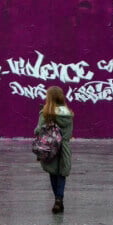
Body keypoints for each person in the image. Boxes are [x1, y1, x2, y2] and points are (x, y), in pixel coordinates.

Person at [34, 86, 74, 214]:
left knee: (52, 173)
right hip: (64, 147)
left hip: (50, 147)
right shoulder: (68, 114)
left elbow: (38, 130)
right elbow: (69, 133)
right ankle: (59, 199)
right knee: (62, 173)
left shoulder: (46, 113)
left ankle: (57, 199)